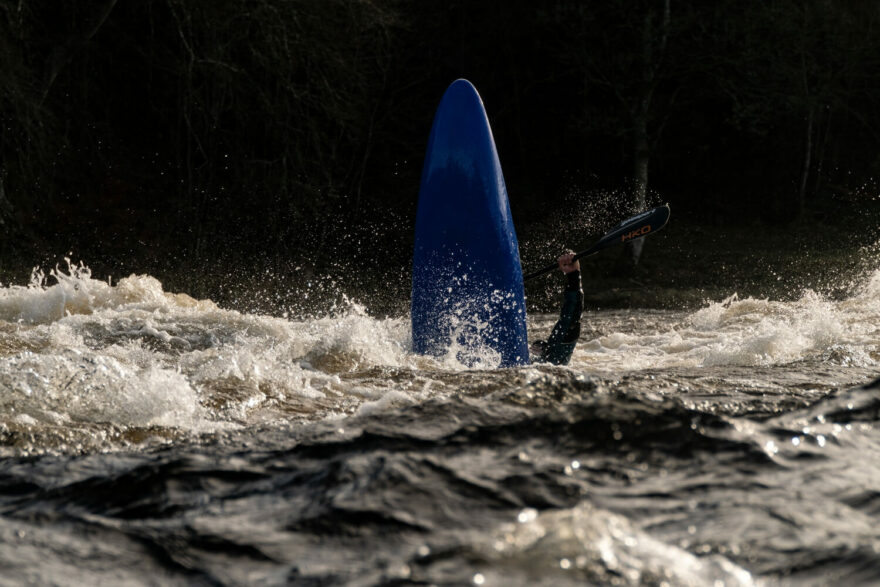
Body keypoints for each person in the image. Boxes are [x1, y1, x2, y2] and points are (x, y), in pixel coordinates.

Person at [530, 251, 584, 365]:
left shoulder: (554, 356)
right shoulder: (546, 357)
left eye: (536, 350)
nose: (533, 351)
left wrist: (573, 275)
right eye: (533, 350)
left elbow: (572, 316)